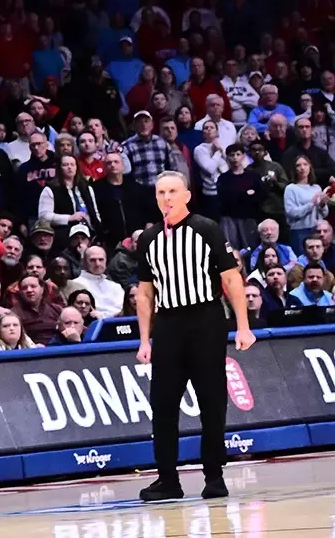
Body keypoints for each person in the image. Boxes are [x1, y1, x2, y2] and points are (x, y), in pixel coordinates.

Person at [136, 171, 254, 502]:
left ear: (186, 195)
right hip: (169, 324)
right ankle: (167, 479)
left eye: (173, 191)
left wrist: (243, 326)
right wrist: (145, 339)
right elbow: (145, 294)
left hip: (205, 319)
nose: (167, 197)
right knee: (162, 404)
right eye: (161, 192)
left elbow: (232, 279)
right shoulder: (148, 239)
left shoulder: (207, 229)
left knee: (212, 402)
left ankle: (214, 476)